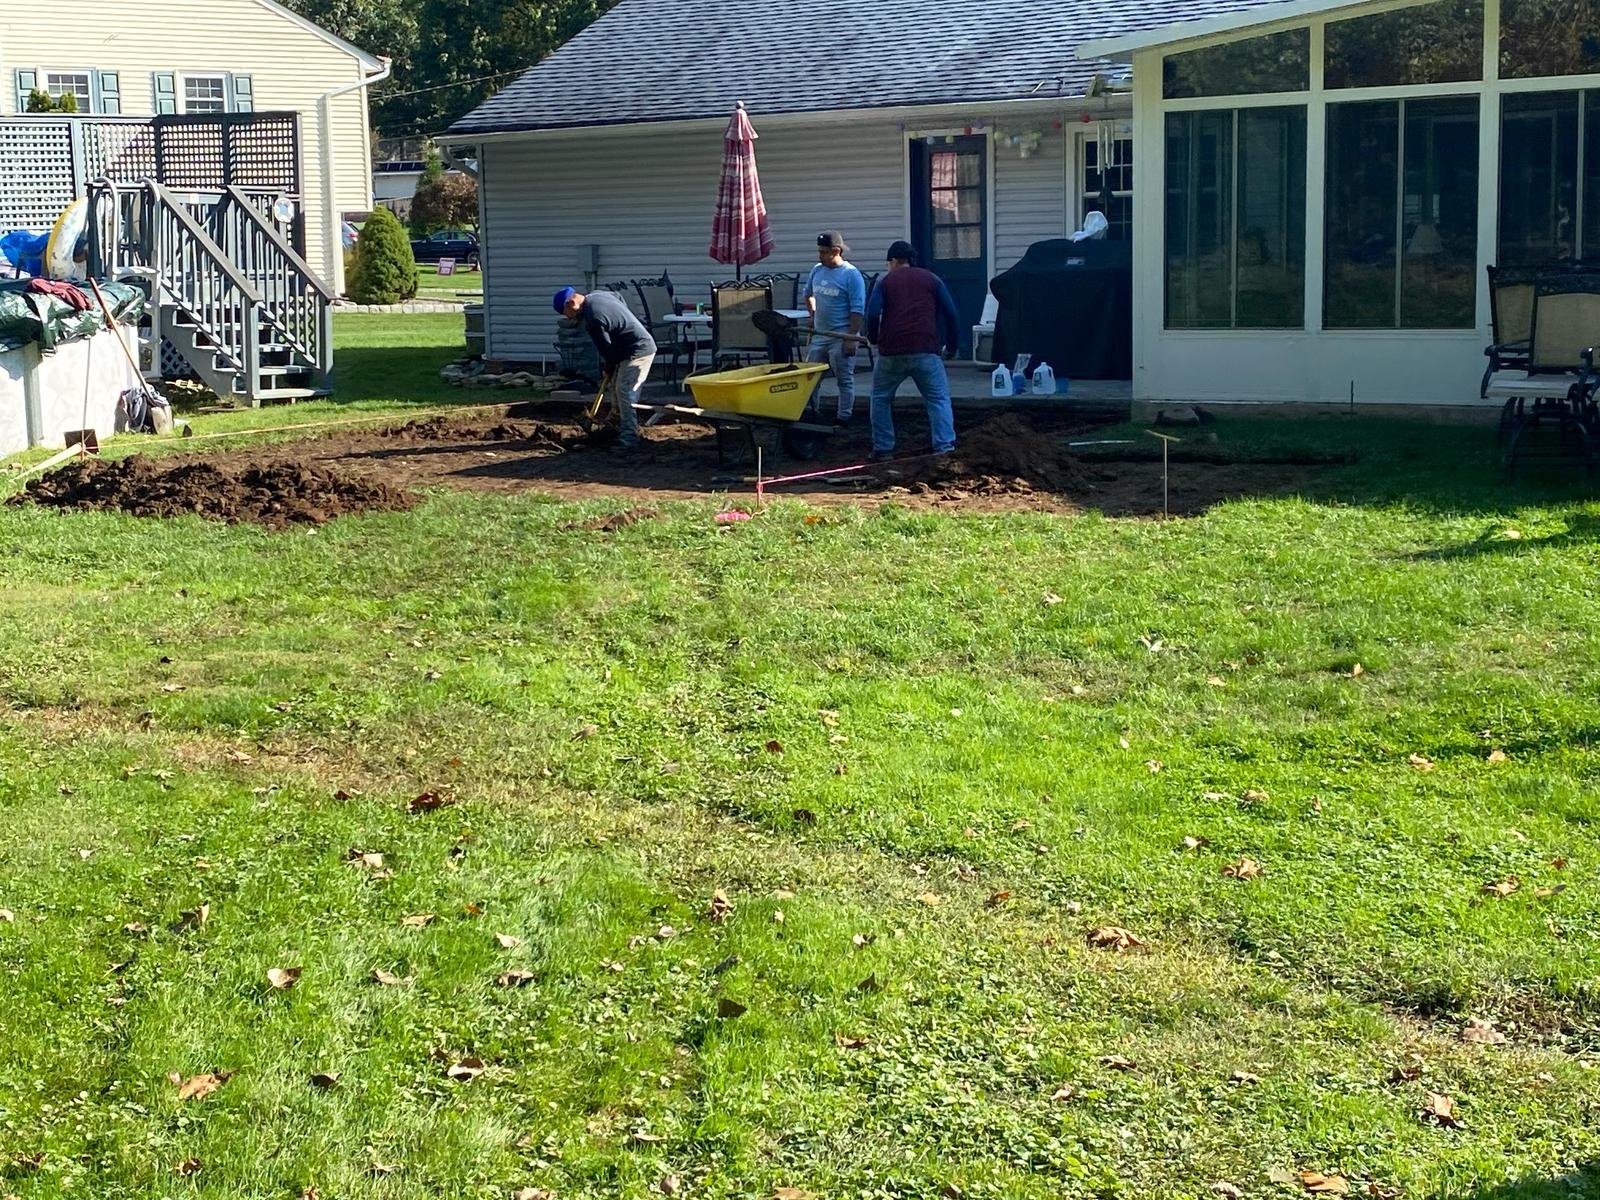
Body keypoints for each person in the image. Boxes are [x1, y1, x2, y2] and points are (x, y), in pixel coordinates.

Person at [863, 240, 960, 458]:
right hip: (926, 350)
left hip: (891, 352)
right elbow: (952, 314)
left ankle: (883, 448)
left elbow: (871, 314)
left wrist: (874, 338)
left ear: (895, 261)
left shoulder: (885, 282)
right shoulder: (931, 279)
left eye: (889, 263)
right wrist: (952, 347)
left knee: (880, 397)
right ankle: (944, 448)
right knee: (938, 399)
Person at [553, 285, 656, 450]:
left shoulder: (593, 318)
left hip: (639, 350)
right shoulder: (598, 295)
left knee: (624, 392)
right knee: (615, 389)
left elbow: (606, 350)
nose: (571, 319)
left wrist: (609, 367)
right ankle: (615, 429)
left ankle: (629, 439)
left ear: (571, 303)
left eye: (568, 315)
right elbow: (619, 298)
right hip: (627, 349)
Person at [800, 230, 866, 424]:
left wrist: (851, 337)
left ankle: (843, 417)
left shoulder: (851, 275)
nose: (819, 255)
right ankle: (812, 414)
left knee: (843, 378)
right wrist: (812, 315)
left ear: (836, 251)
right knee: (810, 377)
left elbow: (857, 309)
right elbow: (808, 294)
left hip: (841, 334)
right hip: (820, 335)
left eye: (823, 252)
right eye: (819, 251)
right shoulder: (817, 270)